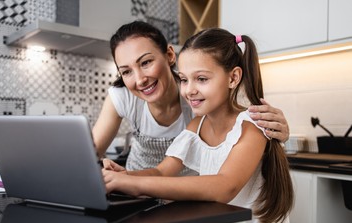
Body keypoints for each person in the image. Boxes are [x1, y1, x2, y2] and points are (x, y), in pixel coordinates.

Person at [102, 27, 294, 223]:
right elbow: (163, 171)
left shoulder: (250, 126)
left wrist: (137, 186)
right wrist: (125, 177)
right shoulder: (196, 126)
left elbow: (224, 187)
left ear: (233, 78)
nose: (190, 90)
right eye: (183, 79)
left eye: (201, 79)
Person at [92, 20, 290, 172]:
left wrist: (276, 133)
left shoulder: (198, 99)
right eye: (126, 71)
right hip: (139, 190)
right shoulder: (123, 96)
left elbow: (240, 124)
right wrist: (124, 178)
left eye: (146, 62)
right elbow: (90, 154)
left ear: (170, 55)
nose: (140, 79)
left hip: (189, 196)